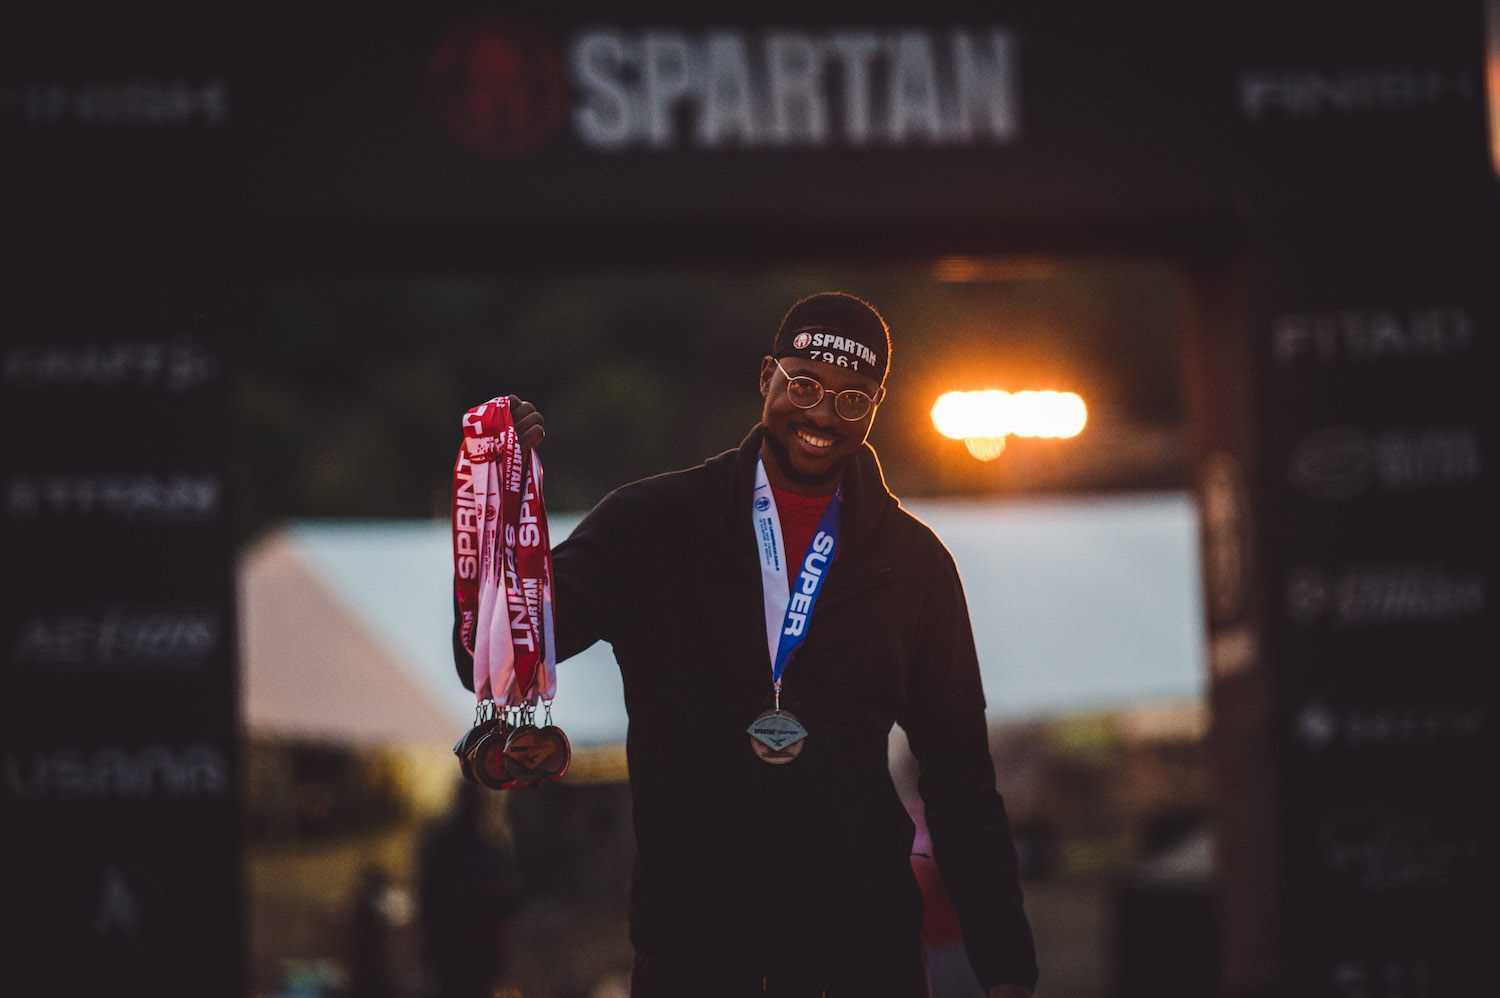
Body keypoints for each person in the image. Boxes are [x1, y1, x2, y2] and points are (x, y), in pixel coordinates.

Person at [454, 292, 1038, 997]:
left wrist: (1008, 971)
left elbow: (961, 782)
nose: (823, 415)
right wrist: (496, 501)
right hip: (695, 957)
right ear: (766, 376)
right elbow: (487, 658)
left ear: (876, 407)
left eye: (852, 398)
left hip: (865, 959)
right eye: (804, 386)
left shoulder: (914, 565)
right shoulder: (652, 526)